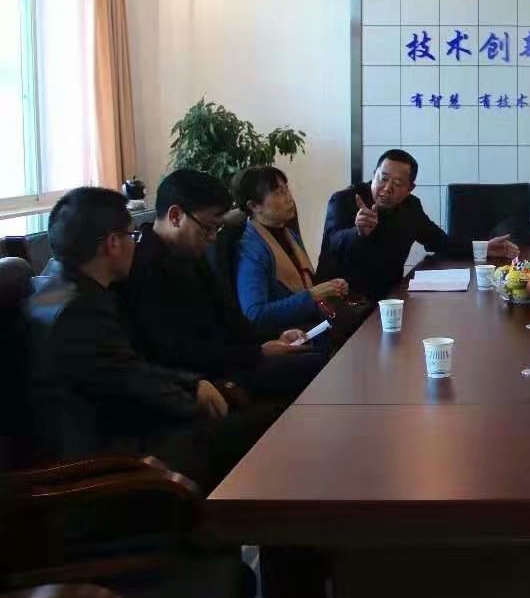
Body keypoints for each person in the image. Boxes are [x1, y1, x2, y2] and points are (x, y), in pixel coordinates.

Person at [23, 188, 262, 488]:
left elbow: (128, 368)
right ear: (112, 243)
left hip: (109, 435)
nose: (135, 244)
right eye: (132, 235)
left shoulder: (52, 285)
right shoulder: (79, 312)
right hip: (98, 468)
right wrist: (197, 401)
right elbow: (133, 383)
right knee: (255, 430)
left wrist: (193, 383)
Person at [121, 169, 325, 402]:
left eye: (217, 229)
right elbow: (176, 350)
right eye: (207, 228)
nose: (212, 238)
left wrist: (274, 336)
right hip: (200, 377)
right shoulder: (144, 267)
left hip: (228, 359)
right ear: (175, 216)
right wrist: (257, 352)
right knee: (316, 367)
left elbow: (229, 316)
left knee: (317, 356)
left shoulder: (191, 254)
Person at [317, 149, 518, 302]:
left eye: (397, 183)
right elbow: (334, 243)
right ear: (374, 173)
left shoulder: (410, 207)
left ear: (410, 188)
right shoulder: (344, 200)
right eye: (383, 178)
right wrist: (359, 233)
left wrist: (483, 247)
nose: (387, 188)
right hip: (341, 302)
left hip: (388, 299)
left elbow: (440, 242)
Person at [236, 166, 347, 330]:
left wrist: (329, 288)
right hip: (284, 336)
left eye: (287, 189)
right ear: (254, 206)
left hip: (310, 325)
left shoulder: (288, 234)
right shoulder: (251, 248)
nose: (289, 198)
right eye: (279, 192)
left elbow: (306, 283)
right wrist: (313, 295)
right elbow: (256, 314)